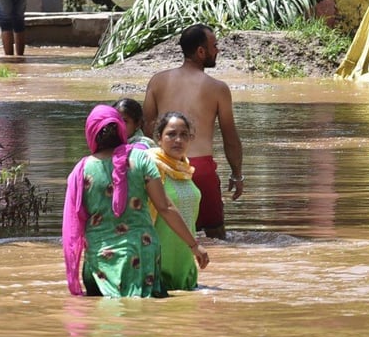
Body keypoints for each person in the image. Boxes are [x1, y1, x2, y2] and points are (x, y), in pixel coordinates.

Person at [62, 104, 208, 298]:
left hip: (99, 261)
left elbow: (75, 224)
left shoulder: (81, 170)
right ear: (121, 130)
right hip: (140, 257)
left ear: (91, 132)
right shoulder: (141, 160)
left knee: (103, 322)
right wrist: (194, 245)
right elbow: (164, 207)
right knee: (144, 320)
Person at [143, 24, 244, 240]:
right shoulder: (217, 88)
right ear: (201, 51)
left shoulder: (157, 81)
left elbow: (147, 128)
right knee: (216, 236)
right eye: (214, 46)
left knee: (165, 233)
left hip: (163, 167)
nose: (217, 50)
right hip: (200, 169)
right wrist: (237, 174)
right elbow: (230, 137)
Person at [148, 111, 203, 291]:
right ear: (159, 138)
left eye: (183, 135)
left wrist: (192, 246)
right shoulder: (151, 166)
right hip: (158, 255)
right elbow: (165, 208)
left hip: (185, 255)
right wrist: (195, 245)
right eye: (171, 134)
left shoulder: (185, 170)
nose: (178, 140)